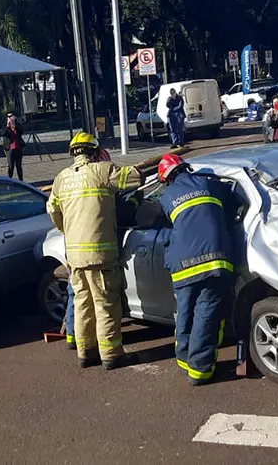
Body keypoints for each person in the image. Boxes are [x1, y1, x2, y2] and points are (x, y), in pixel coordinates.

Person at [47, 132, 142, 370]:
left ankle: (86, 353)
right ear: (95, 151)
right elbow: (134, 179)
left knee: (83, 304)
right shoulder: (103, 171)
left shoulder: (61, 179)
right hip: (101, 254)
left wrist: (66, 229)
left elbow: (52, 210)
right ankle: (112, 355)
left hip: (75, 256)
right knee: (106, 304)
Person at [156, 154, 235, 386]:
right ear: (185, 168)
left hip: (181, 264)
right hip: (213, 260)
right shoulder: (210, 184)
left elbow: (159, 221)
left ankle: (184, 360)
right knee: (206, 313)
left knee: (185, 312)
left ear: (166, 179)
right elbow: (232, 206)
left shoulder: (167, 196)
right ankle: (200, 370)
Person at [3, 112, 26, 180]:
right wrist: (8, 125)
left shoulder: (17, 125)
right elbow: (3, 133)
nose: (10, 118)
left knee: (19, 166)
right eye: (8, 116)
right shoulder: (5, 126)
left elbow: (21, 131)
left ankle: (21, 180)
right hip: (9, 148)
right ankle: (10, 180)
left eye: (11, 116)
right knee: (11, 166)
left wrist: (14, 125)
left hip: (18, 147)